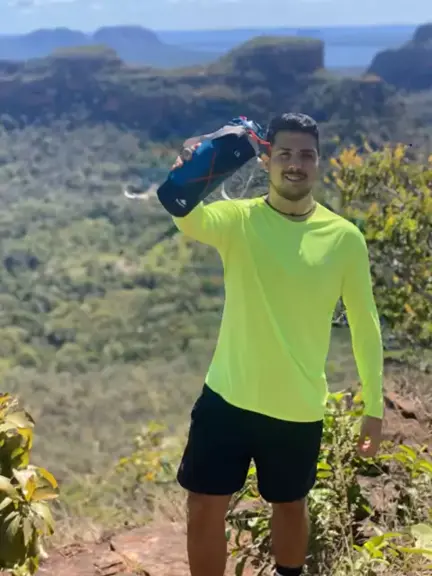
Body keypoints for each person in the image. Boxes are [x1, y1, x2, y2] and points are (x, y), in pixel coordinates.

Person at [170, 113, 384, 576]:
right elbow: (184, 213)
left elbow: (366, 325)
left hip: (296, 407)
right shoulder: (238, 220)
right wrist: (194, 166)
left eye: (306, 155)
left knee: (289, 505)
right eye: (284, 153)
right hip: (226, 397)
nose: (295, 164)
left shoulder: (344, 238)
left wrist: (375, 406)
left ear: (318, 163)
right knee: (203, 505)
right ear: (266, 159)